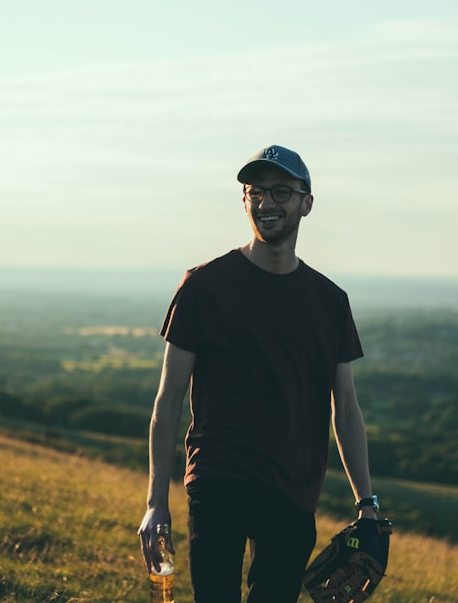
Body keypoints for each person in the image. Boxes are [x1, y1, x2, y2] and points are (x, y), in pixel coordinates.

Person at [138, 144, 379, 603]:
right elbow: (168, 401)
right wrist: (156, 504)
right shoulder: (203, 287)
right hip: (217, 480)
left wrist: (366, 503)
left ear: (307, 203)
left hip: (293, 490)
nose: (266, 203)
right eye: (255, 192)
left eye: (281, 192)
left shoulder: (330, 302)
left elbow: (345, 407)